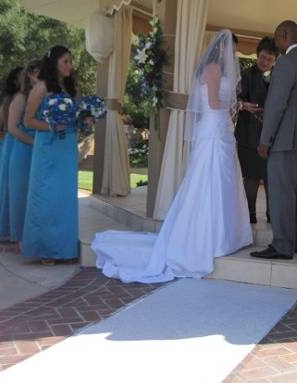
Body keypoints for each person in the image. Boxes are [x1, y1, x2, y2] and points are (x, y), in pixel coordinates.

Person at [91, 30, 252, 283]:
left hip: (221, 130)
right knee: (208, 181)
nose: (233, 54)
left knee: (224, 180)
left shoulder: (220, 70)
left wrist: (233, 109)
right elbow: (212, 103)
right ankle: (208, 236)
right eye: (232, 48)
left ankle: (228, 233)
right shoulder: (212, 69)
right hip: (213, 129)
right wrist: (239, 106)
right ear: (221, 48)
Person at [251, 20, 297, 260]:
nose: (276, 42)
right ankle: (296, 240)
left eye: (277, 38)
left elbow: (276, 105)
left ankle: (282, 244)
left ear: (284, 34)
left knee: (281, 192)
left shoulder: (285, 64)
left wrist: (265, 139)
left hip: (283, 139)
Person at [22, 46, 81, 265]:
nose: (70, 66)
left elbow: (73, 117)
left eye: (70, 61)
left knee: (65, 198)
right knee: (47, 197)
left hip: (66, 148)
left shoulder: (71, 87)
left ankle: (65, 249)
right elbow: (28, 121)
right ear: (54, 62)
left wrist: (83, 119)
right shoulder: (41, 88)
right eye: (65, 61)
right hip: (48, 148)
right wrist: (52, 125)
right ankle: (46, 249)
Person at [235, 37, 278, 224]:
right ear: (257, 55)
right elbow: (234, 99)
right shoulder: (245, 75)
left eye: (269, 59)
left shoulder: (279, 77)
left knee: (271, 179)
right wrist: (243, 105)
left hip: (271, 137)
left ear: (275, 60)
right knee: (250, 178)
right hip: (247, 134)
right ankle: (250, 215)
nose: (265, 62)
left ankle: (272, 215)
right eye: (262, 57)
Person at [7, 59, 42, 245]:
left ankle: (35, 236)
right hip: (22, 151)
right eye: (36, 73)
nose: (40, 76)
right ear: (29, 75)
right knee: (21, 193)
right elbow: (12, 128)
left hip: (41, 149)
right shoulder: (21, 97)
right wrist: (33, 142)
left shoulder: (45, 96)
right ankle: (20, 237)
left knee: (37, 194)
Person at [0, 66, 23, 242]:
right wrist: (5, 145)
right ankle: (6, 226)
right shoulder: (9, 99)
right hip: (7, 144)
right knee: (5, 184)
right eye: (22, 77)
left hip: (16, 143)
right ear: (14, 81)